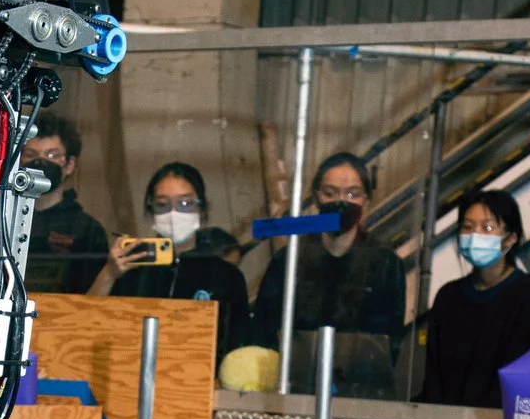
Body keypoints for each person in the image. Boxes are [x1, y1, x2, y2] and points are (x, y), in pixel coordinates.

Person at [249, 151, 407, 394]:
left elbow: (386, 347)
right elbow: (263, 334)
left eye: (352, 193)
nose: (341, 201)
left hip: (359, 397)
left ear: (367, 201)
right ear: (316, 198)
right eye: (330, 193)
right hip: (291, 393)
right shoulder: (289, 260)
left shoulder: (384, 263)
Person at [87, 160, 251, 351]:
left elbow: (238, 343)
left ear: (203, 208)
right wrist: (109, 274)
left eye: (185, 203)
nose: (173, 214)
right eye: (162, 204)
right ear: (151, 210)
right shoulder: (131, 264)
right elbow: (86, 323)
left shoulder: (225, 274)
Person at [417, 186, 530, 407]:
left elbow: (521, 381)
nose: (475, 235)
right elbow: (434, 379)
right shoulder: (448, 297)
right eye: (467, 227)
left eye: (487, 227)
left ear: (510, 239)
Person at [20, 111, 108, 294]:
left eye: (52, 155)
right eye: (31, 155)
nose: (41, 162)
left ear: (69, 165)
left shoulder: (87, 231)